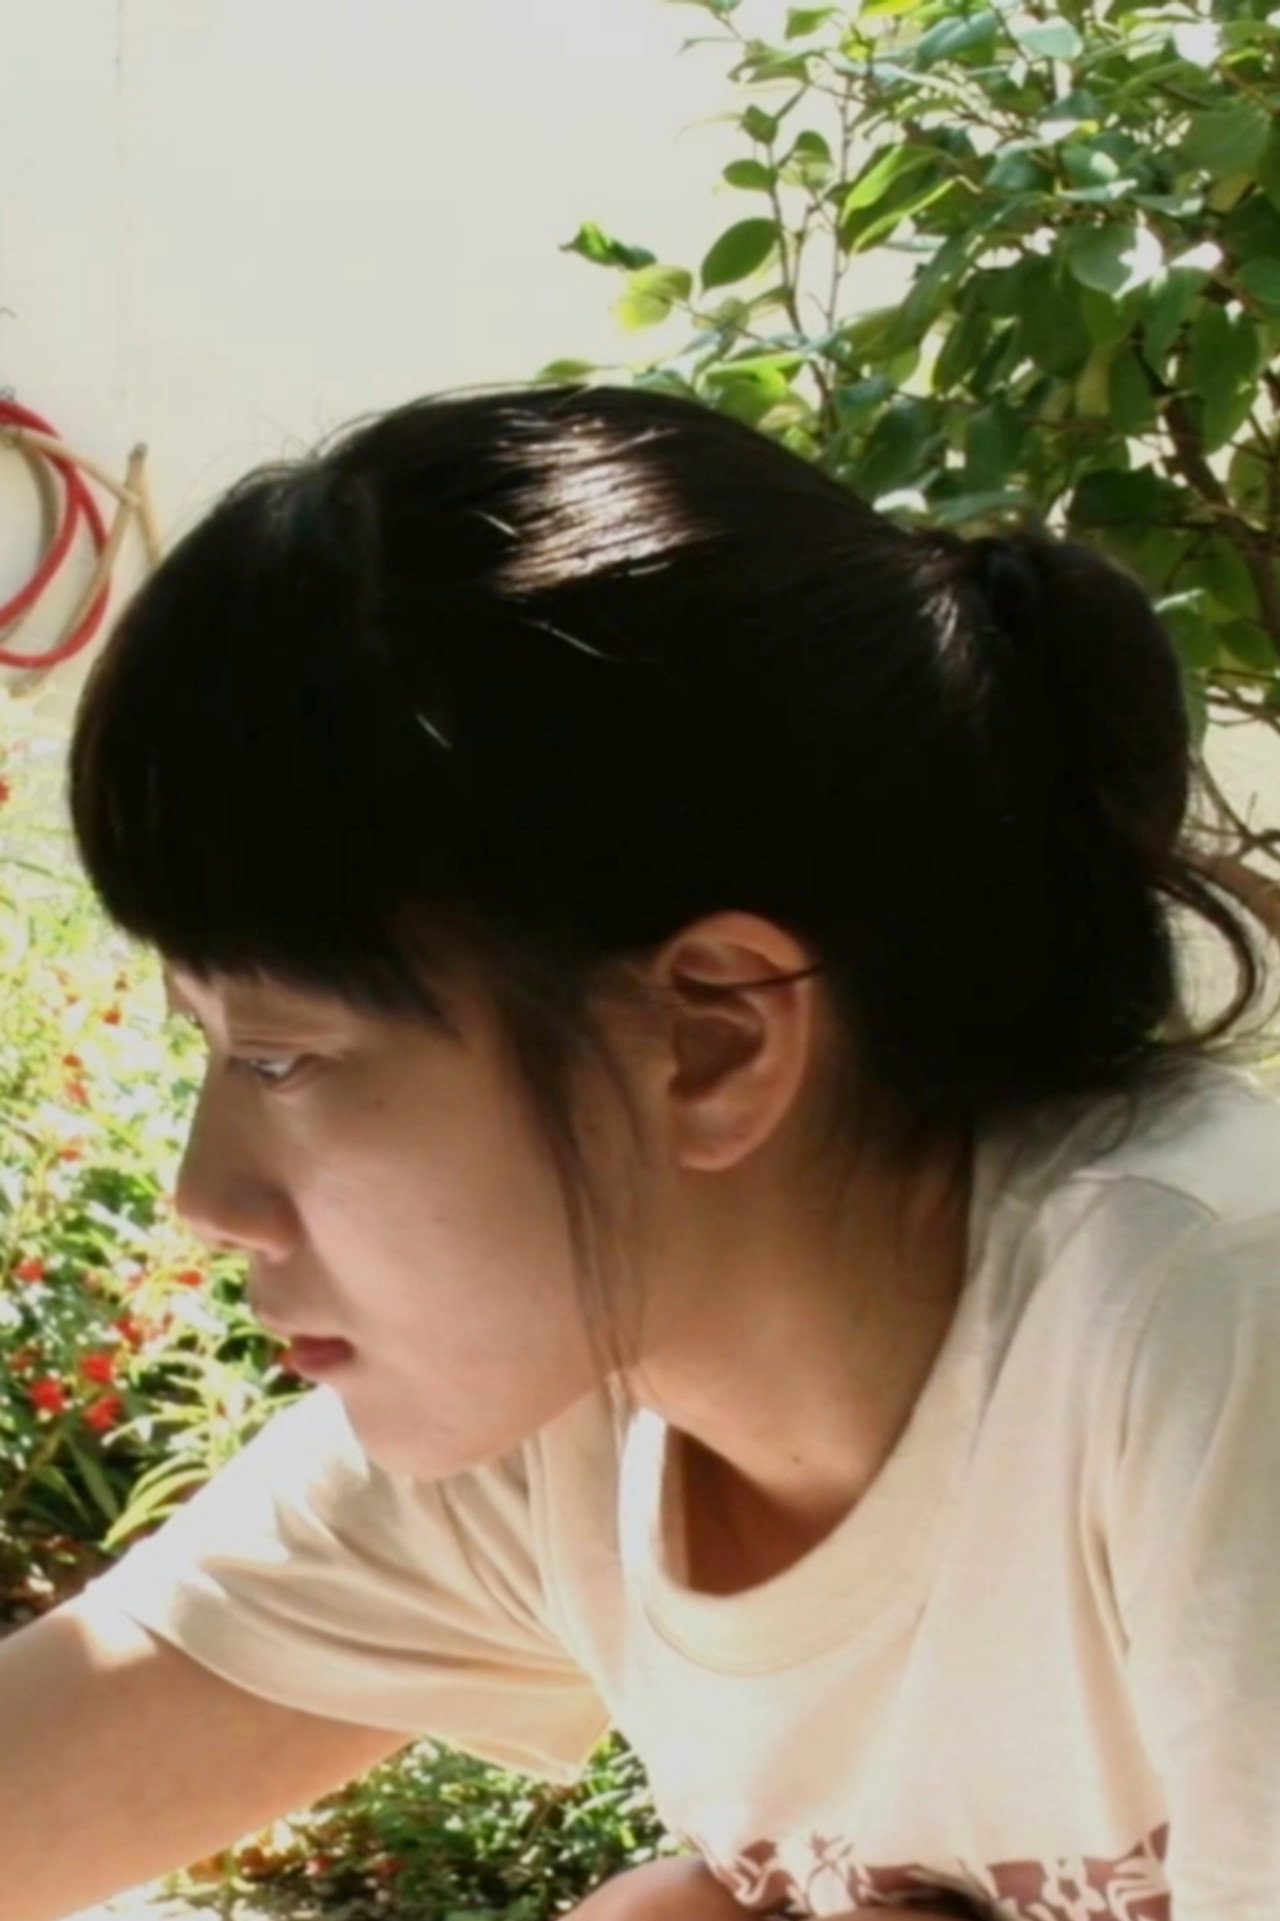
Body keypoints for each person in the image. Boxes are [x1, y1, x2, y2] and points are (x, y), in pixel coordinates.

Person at [1, 382, 1277, 1921]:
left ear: (712, 1040)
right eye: (211, 1048)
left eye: (284, 1056)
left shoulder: (1207, 1320)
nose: (208, 1197)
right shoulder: (583, 1388)